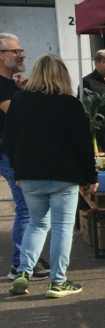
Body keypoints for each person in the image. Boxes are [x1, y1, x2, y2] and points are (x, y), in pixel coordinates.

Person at [5, 54, 97, 298]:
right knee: (62, 229)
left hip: (29, 175)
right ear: (62, 76)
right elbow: (83, 144)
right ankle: (58, 282)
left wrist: (16, 170)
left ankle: (23, 271)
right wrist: (91, 176)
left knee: (36, 224)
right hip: (63, 176)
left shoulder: (19, 100)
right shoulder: (70, 104)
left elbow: (10, 140)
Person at [0, 33, 48, 281]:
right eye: (15, 51)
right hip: (9, 154)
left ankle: (28, 257)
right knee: (26, 209)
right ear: (1, 56)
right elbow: (17, 113)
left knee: (29, 208)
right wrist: (27, 93)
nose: (22, 54)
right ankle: (20, 264)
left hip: (17, 153)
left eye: (21, 50)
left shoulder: (12, 85)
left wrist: (23, 89)